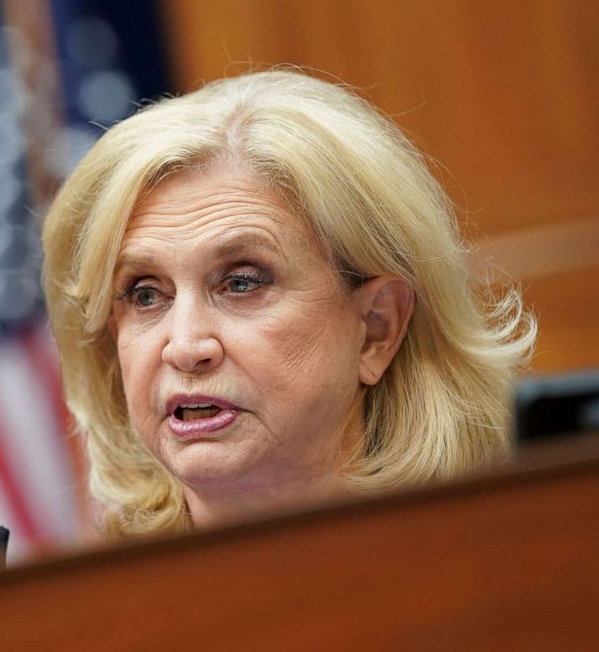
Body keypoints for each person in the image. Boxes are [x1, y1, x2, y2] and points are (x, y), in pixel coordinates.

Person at [40, 68, 535, 538]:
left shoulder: (524, 583)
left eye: (241, 283)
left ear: (376, 328)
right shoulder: (65, 621)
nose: (186, 347)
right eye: (146, 294)